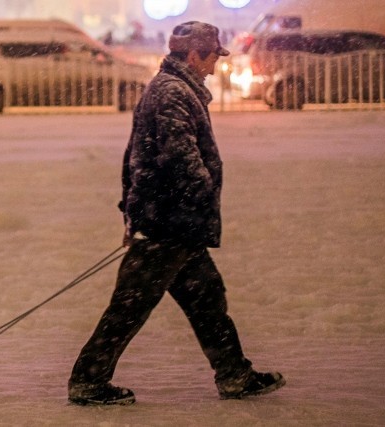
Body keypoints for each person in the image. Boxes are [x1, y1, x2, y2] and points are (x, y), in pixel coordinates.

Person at [68, 21, 285, 406]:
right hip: (170, 223)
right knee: (130, 307)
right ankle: (88, 380)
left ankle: (234, 373)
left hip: (171, 221)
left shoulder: (175, 89)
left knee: (207, 300)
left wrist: (135, 210)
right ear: (193, 54)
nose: (215, 65)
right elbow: (178, 158)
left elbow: (135, 156)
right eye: (211, 56)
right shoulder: (171, 93)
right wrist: (197, 198)